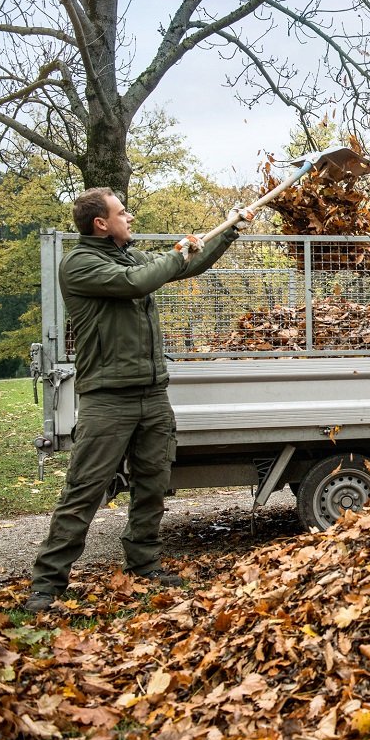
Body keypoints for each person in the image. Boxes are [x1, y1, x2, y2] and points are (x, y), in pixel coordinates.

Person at [25, 188, 250, 612]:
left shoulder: (126, 256)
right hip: (108, 400)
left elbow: (183, 267)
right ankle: (47, 585)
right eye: (122, 212)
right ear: (100, 224)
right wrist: (177, 253)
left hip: (151, 393)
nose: (129, 217)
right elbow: (140, 282)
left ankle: (144, 564)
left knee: (152, 485)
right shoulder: (80, 265)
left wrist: (229, 231)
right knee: (84, 491)